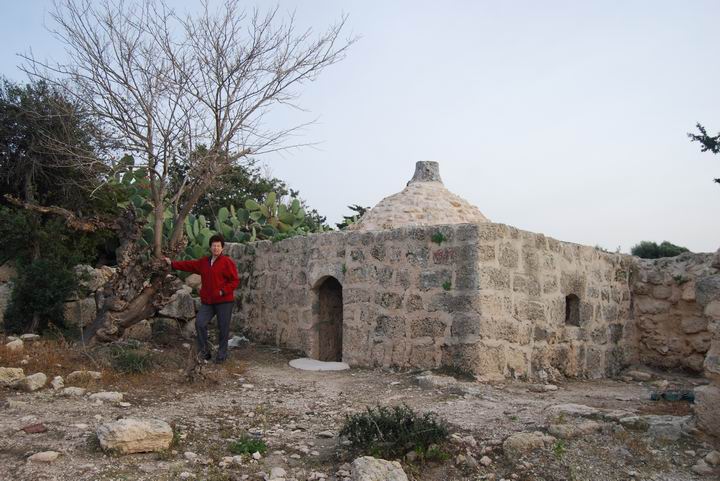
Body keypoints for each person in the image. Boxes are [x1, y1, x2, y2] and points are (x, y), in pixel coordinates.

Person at [165, 234, 239, 364]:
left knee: (223, 328)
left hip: (224, 301)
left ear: (222, 248)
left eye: (218, 246)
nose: (216, 248)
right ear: (210, 247)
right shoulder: (204, 262)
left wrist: (223, 291)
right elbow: (189, 265)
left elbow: (234, 281)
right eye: (213, 245)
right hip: (209, 302)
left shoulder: (227, 262)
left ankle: (221, 356)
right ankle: (204, 353)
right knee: (200, 323)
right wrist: (172, 264)